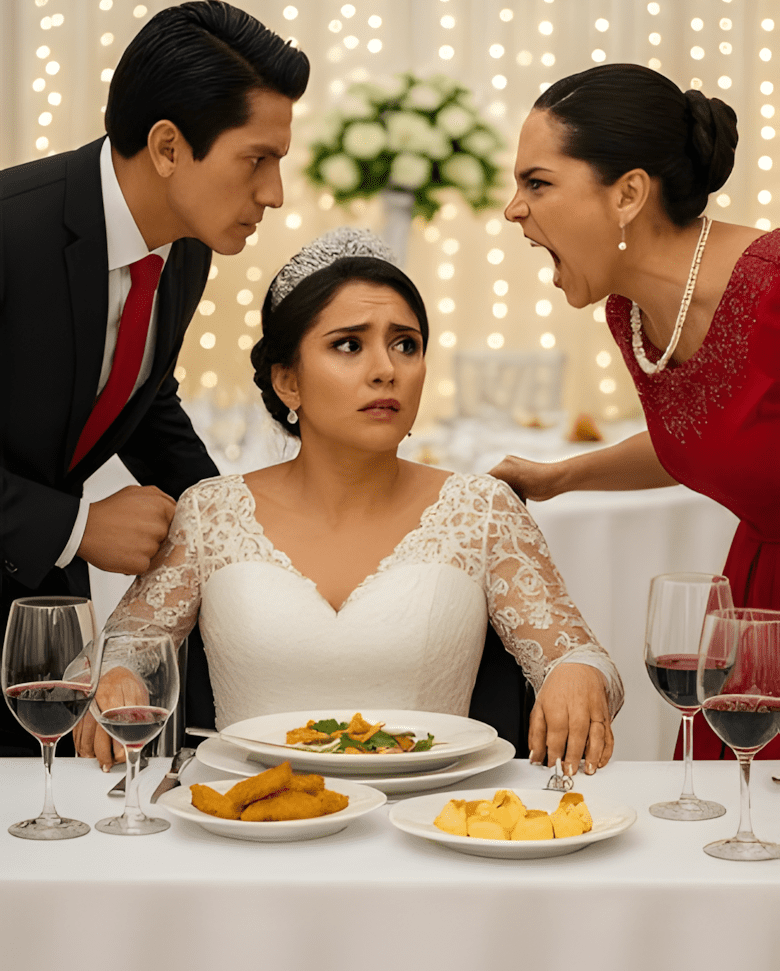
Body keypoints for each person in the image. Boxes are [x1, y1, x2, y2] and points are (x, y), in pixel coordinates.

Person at [74, 227, 623, 774]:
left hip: (431, 815)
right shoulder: (209, 513)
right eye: (349, 345)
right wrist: (115, 677)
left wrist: (576, 675)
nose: (386, 369)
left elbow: (582, 657)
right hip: (248, 814)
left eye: (405, 344)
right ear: (287, 382)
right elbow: (116, 653)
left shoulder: (482, 510)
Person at [0, 0, 309, 755]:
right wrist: (77, 526)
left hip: (38, 616)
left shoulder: (186, 244)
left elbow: (142, 391)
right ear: (168, 146)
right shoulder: (10, 230)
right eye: (257, 160)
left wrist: (231, 523)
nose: (274, 192)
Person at [492, 62, 780, 759]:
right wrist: (560, 477)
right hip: (755, 603)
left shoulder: (773, 289)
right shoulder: (632, 316)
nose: (513, 210)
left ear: (627, 194)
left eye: (537, 183)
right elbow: (708, 436)